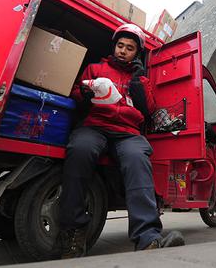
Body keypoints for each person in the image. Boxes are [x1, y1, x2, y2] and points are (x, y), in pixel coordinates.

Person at [58, 23, 185, 259]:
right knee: (80, 150)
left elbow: (149, 110)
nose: (123, 51)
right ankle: (73, 232)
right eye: (120, 45)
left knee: (138, 157)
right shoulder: (95, 68)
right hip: (95, 125)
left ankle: (148, 238)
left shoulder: (141, 78)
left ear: (137, 53)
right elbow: (76, 92)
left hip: (128, 131)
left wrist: (138, 81)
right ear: (114, 46)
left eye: (129, 48)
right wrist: (83, 94)